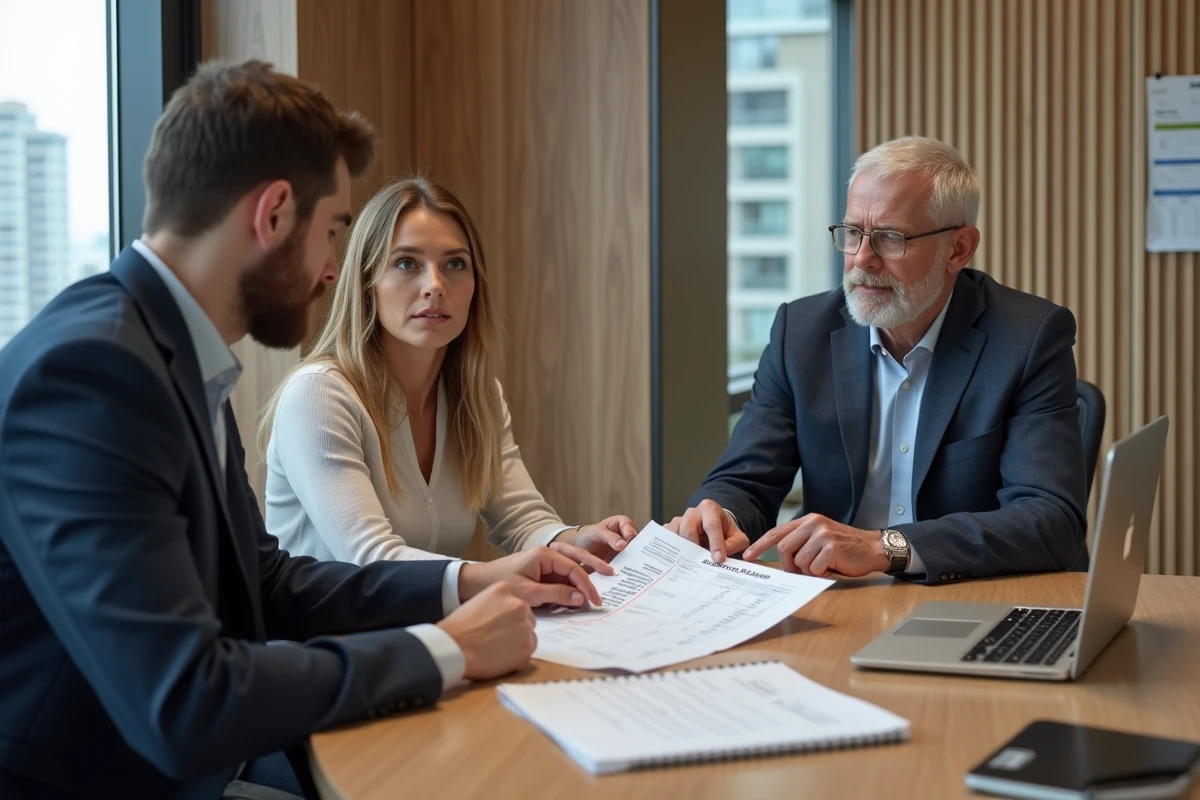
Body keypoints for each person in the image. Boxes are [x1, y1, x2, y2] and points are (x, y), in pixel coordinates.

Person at [0, 60, 600, 800]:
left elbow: (271, 579)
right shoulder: (96, 374)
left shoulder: (166, 351)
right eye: (335, 231)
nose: (329, 271)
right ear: (274, 213)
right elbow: (184, 701)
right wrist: (442, 649)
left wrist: (466, 580)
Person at [667, 136, 1087, 584]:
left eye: (890, 237)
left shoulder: (1027, 337)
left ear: (959, 249)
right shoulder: (801, 332)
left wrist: (882, 546)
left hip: (968, 594)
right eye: (852, 233)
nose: (862, 259)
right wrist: (720, 514)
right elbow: (747, 478)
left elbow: (1050, 520)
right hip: (837, 596)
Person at [260, 177, 637, 573]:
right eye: (407, 263)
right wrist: (495, 577)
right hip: (324, 635)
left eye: (455, 264)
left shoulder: (478, 395)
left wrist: (577, 540)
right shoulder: (319, 394)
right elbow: (371, 560)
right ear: (368, 282)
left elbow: (524, 522)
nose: (435, 286)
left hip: (425, 631)